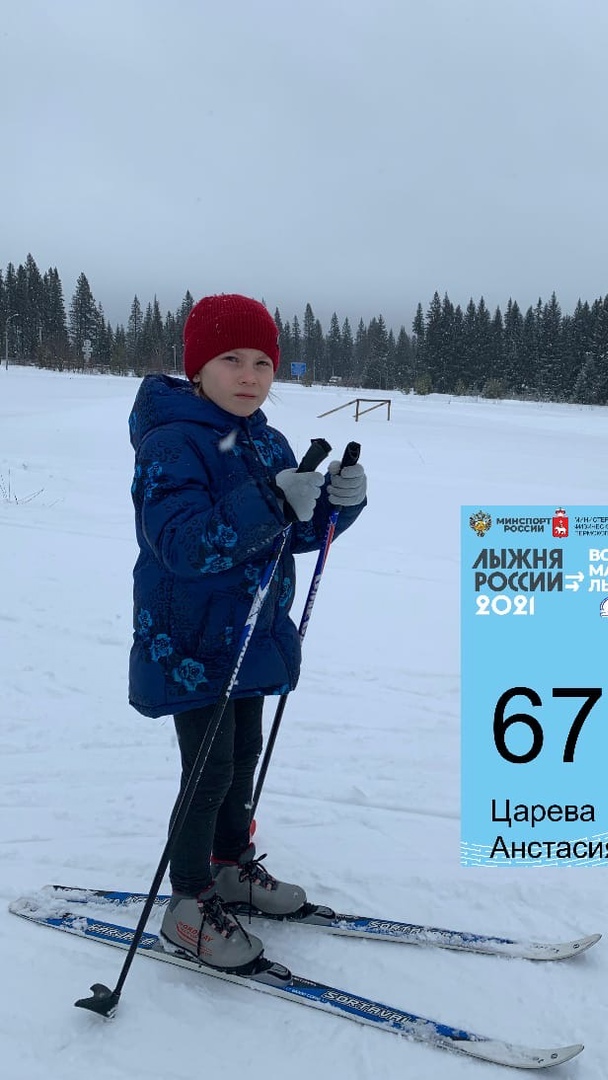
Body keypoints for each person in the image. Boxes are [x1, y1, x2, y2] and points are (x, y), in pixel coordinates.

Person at [128, 294, 367, 971]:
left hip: (253, 632)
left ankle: (230, 866)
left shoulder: (267, 440)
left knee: (241, 758)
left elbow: (288, 535)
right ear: (197, 367)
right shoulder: (172, 442)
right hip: (192, 639)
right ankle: (188, 902)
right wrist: (269, 498)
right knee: (206, 771)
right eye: (230, 359)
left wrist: (336, 507)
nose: (249, 375)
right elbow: (183, 545)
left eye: (263, 362)